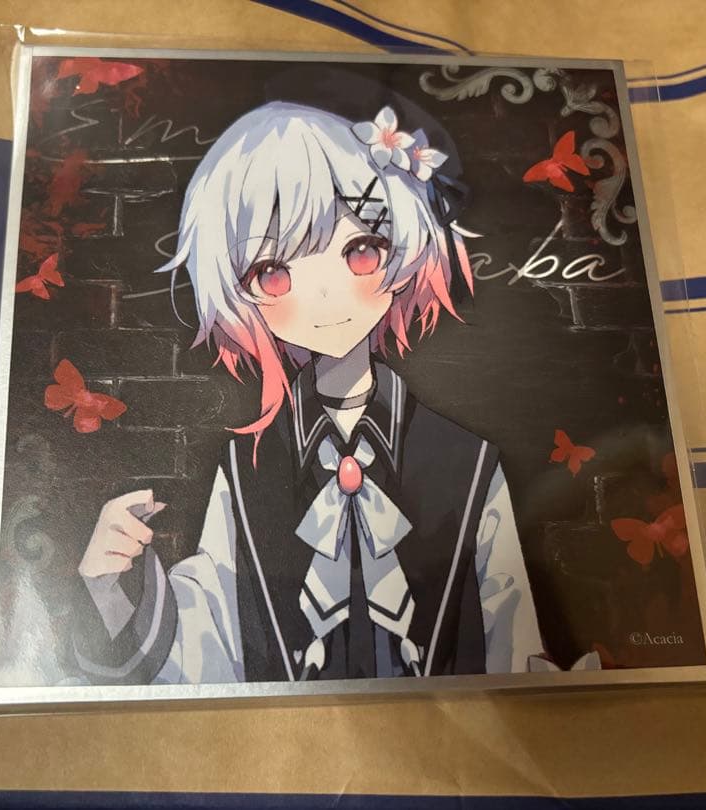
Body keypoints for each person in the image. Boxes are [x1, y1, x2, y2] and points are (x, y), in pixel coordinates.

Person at [74, 100, 565, 684]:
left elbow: (512, 634)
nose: (325, 295)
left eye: (360, 251)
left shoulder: (467, 462)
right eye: (274, 272)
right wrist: (110, 588)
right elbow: (214, 648)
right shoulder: (248, 470)